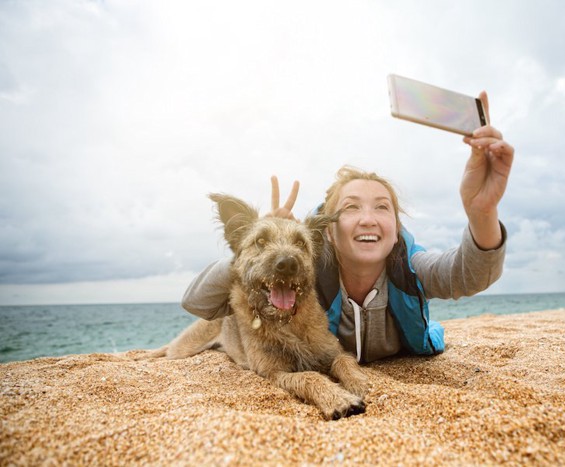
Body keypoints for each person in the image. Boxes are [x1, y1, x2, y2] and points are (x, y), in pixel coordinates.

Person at [182, 91, 514, 363]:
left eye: (382, 208)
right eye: (351, 207)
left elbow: (468, 274)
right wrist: (259, 248)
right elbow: (199, 303)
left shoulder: (408, 268)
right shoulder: (306, 272)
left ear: (395, 229)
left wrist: (482, 211)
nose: (368, 218)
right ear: (328, 232)